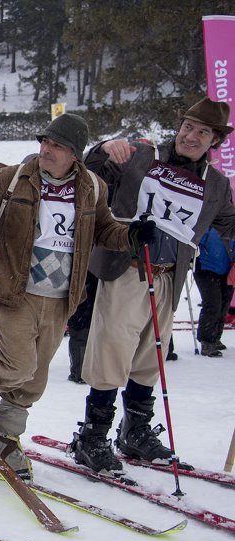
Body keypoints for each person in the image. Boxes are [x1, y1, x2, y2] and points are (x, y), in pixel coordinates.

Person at [0, 112, 137, 481]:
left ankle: (6, 437)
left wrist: (132, 236)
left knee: (34, 381)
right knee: (18, 366)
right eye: (45, 142)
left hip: (61, 299)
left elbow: (105, 230)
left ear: (75, 154)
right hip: (16, 293)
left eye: (58, 145)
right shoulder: (16, 177)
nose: (47, 150)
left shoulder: (93, 187)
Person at [70, 97, 235, 475]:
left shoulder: (216, 185)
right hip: (126, 268)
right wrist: (102, 149)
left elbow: (229, 224)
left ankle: (136, 431)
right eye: (188, 127)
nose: (191, 136)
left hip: (168, 275)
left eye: (203, 132)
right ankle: (93, 435)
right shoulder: (143, 156)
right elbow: (90, 175)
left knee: (150, 357)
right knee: (113, 350)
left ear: (215, 141)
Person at [193, 227, 234, 357]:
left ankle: (215, 337)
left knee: (224, 305)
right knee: (213, 304)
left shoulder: (230, 223)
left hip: (227, 270)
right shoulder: (207, 223)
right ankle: (206, 341)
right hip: (206, 269)